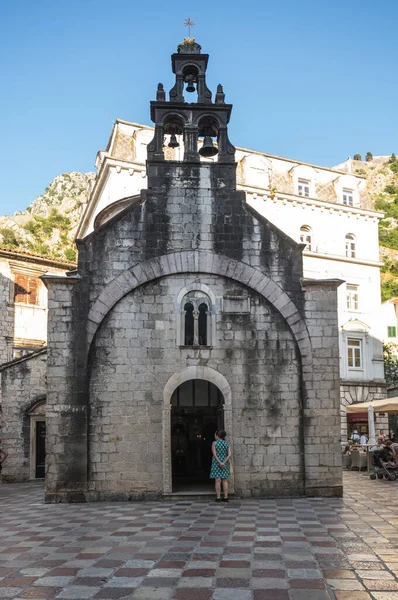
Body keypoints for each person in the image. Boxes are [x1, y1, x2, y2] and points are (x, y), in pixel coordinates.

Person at [210, 430, 231, 502]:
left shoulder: (214, 443)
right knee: (224, 480)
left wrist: (220, 462)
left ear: (217, 436)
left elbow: (214, 454)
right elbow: (229, 455)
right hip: (225, 463)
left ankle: (218, 497)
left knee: (218, 480)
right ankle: (226, 497)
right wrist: (224, 462)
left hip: (217, 463)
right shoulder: (226, 443)